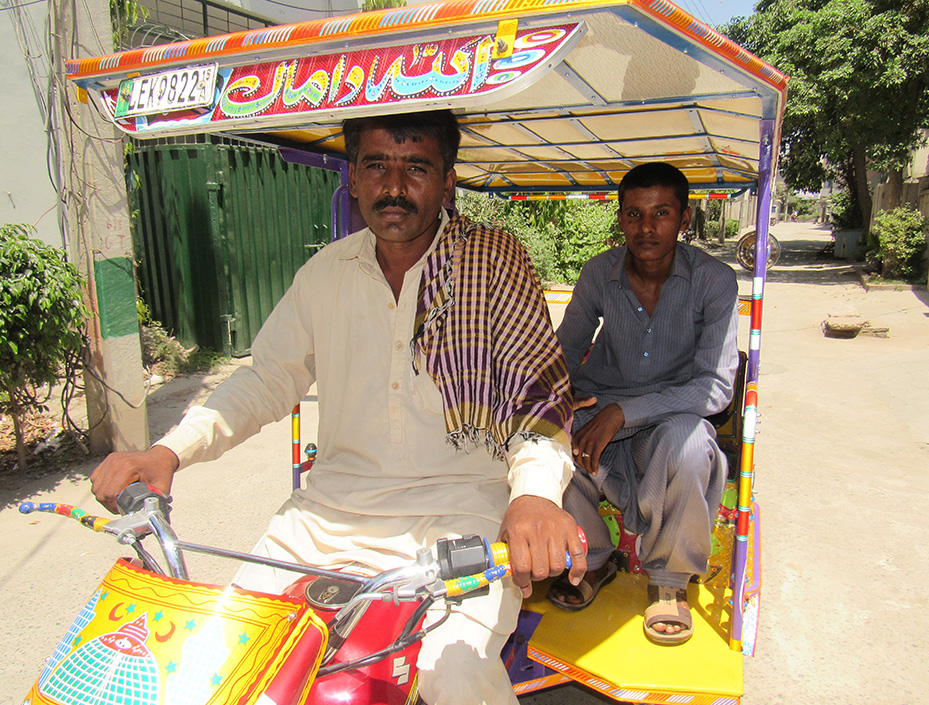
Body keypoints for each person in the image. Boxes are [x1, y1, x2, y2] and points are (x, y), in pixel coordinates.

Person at [90, 110, 586, 704]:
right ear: (354, 177)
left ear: (448, 179)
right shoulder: (324, 273)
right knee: (218, 662)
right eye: (377, 165)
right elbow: (268, 378)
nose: (394, 186)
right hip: (322, 519)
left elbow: (540, 392)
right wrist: (170, 450)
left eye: (417, 168)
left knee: (453, 676)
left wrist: (534, 495)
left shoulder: (498, 262)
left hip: (461, 518)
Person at [546, 162, 738, 646]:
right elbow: (564, 351)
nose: (646, 227)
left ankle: (669, 581)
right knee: (544, 440)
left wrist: (625, 412)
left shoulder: (714, 281)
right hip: (599, 407)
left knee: (692, 443)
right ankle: (594, 557)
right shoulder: (599, 273)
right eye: (634, 214)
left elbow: (715, 387)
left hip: (668, 421)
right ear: (621, 217)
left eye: (662, 213)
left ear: (685, 218)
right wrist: (557, 396)